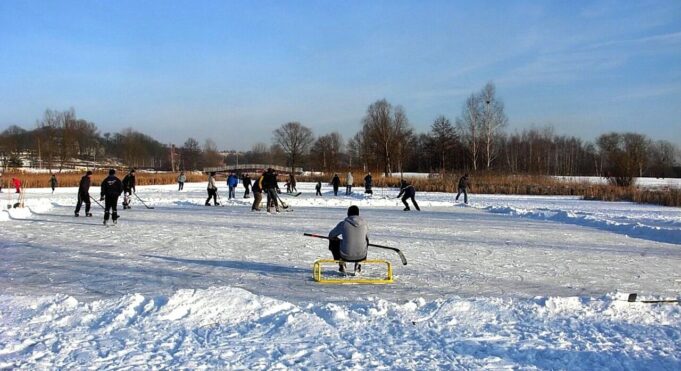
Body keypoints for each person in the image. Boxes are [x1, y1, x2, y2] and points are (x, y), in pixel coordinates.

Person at [328, 205, 369, 273]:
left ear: (348, 213)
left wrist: (337, 239)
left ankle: (341, 262)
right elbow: (367, 238)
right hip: (362, 255)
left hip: (345, 255)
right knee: (366, 240)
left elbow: (331, 235)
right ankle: (359, 262)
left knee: (333, 240)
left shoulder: (343, 224)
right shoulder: (365, 224)